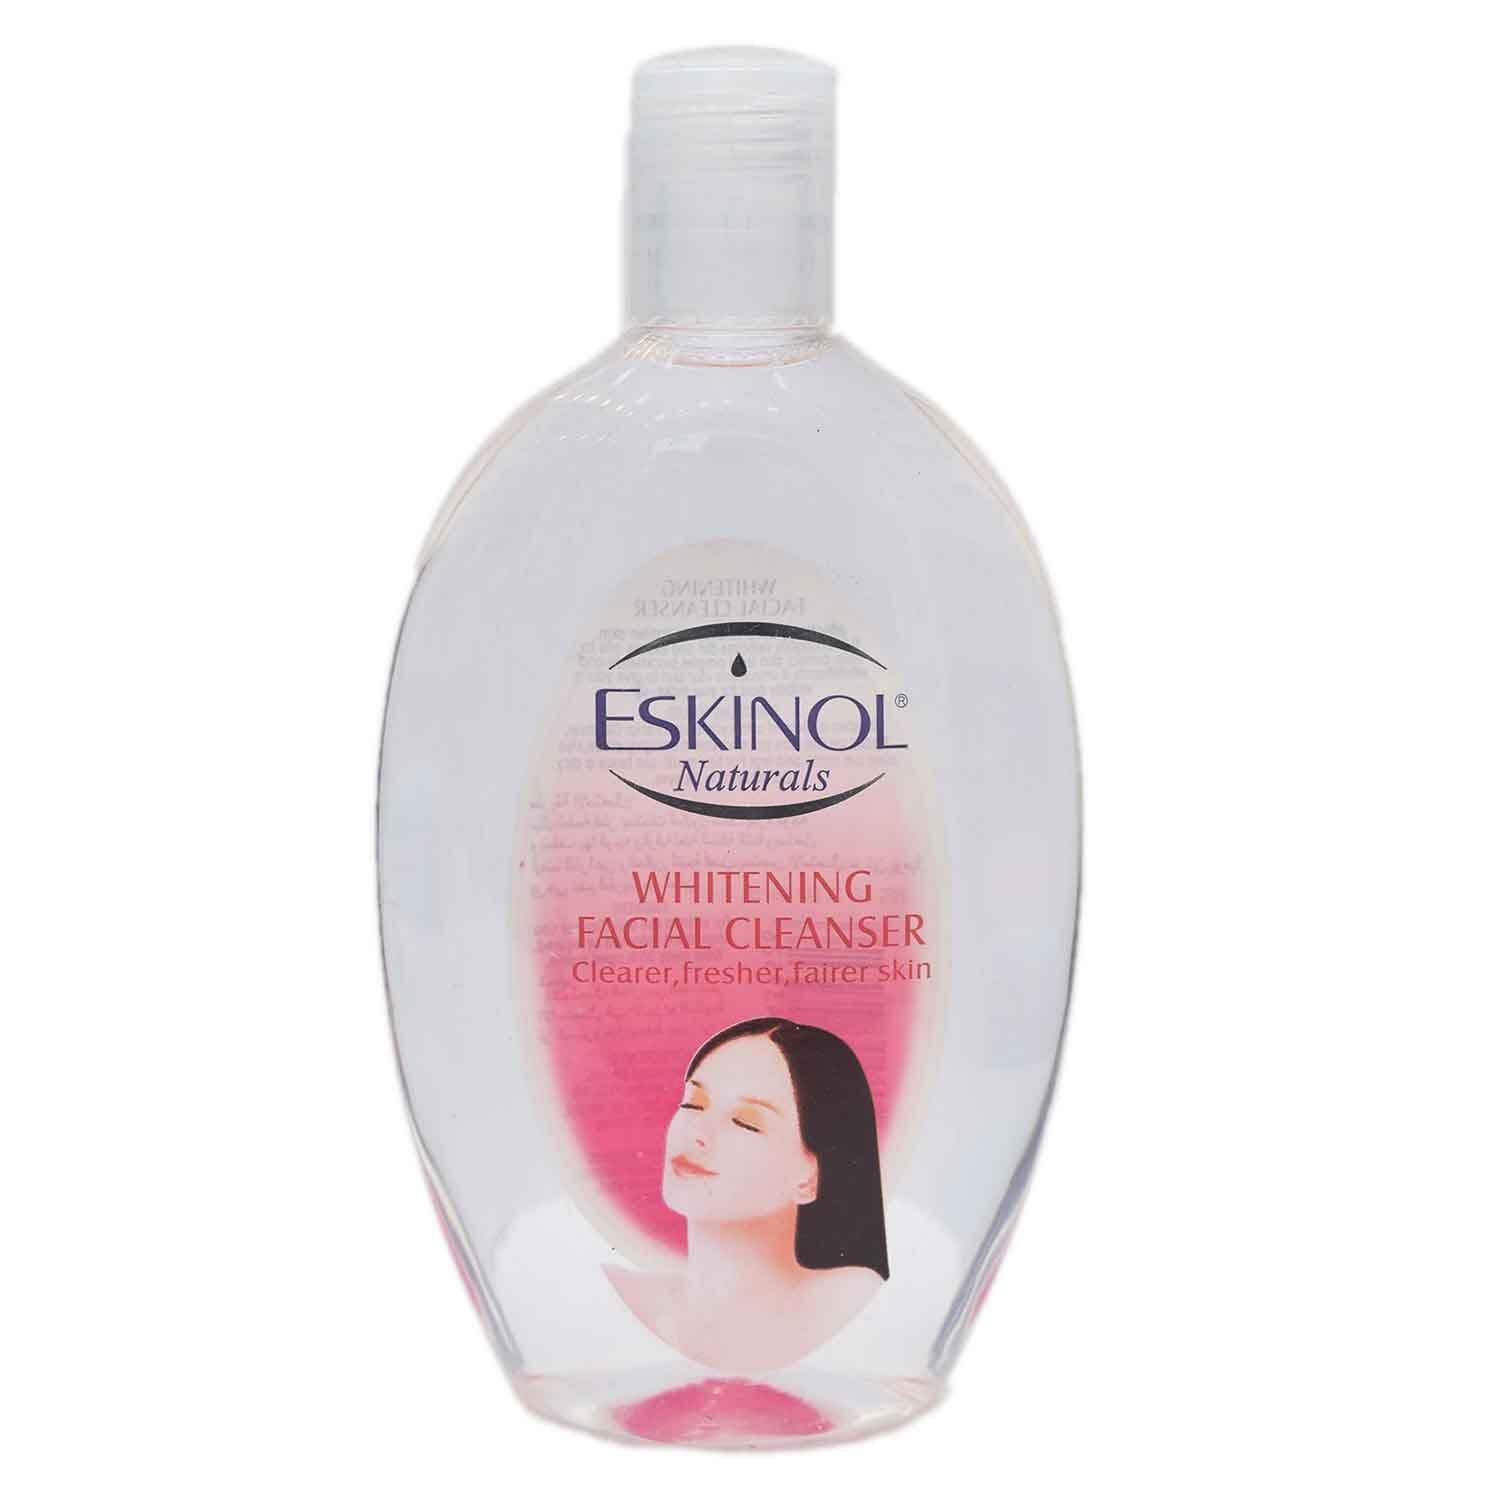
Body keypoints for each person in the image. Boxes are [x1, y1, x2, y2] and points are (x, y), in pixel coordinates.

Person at [606, 1016, 889, 1371]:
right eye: (693, 1104)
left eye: (746, 1123)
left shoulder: (850, 1299)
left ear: (810, 1177)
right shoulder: (613, 1298)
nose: (698, 1133)